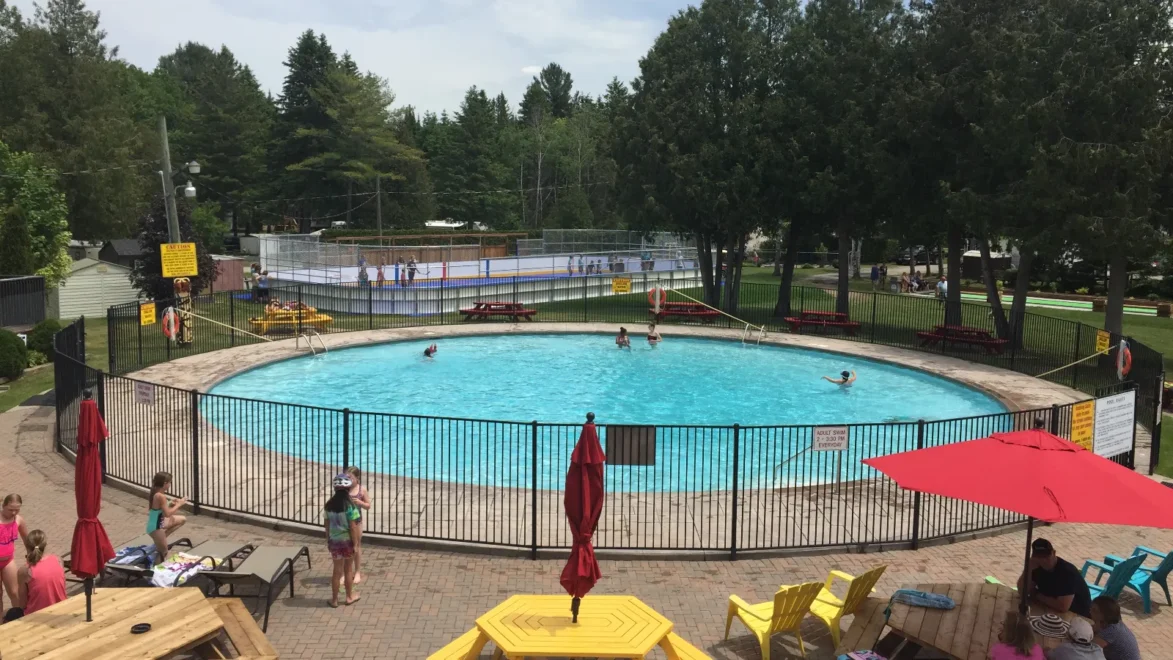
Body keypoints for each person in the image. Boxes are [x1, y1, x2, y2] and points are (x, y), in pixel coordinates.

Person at [1017, 538, 1093, 618]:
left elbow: (1063, 606)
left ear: (1054, 553)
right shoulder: (1036, 566)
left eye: (1047, 557)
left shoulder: (1067, 572)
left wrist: (1036, 594)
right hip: (1050, 610)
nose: (1044, 561)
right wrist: (1028, 569)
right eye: (1039, 557)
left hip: (1078, 615)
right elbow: (1022, 591)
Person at [324, 473, 361, 607]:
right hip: (347, 542)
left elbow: (327, 525)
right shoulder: (350, 506)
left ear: (335, 489)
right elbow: (353, 527)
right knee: (348, 570)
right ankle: (349, 597)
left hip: (334, 541)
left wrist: (328, 540)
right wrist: (355, 544)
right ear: (348, 489)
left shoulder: (328, 506)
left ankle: (334, 600)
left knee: (336, 571)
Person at [16, 530, 65, 615]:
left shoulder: (25, 571)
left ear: (27, 546)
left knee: (7, 614)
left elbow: (23, 604)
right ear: (45, 544)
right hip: (61, 609)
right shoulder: (59, 560)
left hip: (36, 615)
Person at [147, 472, 188, 564]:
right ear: (165, 483)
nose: (170, 484)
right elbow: (167, 514)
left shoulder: (156, 493)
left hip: (157, 523)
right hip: (156, 527)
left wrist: (170, 503)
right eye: (170, 482)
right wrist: (179, 504)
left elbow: (158, 508)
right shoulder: (160, 496)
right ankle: (155, 569)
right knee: (164, 552)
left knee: (182, 519)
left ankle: (161, 539)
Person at [0, 494, 29, 612]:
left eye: (17, 510)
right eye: (10, 509)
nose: (13, 513)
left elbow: (27, 540)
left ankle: (18, 616)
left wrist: (32, 556)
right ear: (3, 506)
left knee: (15, 592)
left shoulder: (18, 520)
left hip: (8, 561)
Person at [1091, 596, 1140, 660]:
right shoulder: (1116, 623)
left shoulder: (1111, 631)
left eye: (1094, 610)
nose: (1090, 612)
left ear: (1104, 614)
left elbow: (1090, 648)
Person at [345, 466, 371, 585]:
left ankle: (357, 572)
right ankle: (345, 572)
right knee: (345, 547)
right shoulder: (344, 490)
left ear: (357, 478)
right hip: (345, 521)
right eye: (347, 478)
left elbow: (368, 505)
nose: (349, 480)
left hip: (357, 522)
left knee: (357, 546)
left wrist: (360, 502)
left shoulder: (361, 490)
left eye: (351, 478)